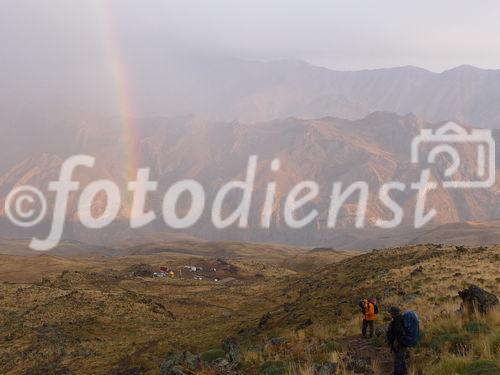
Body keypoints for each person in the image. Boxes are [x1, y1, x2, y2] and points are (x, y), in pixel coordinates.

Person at [386, 306, 407, 375]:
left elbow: (399, 334)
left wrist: (396, 343)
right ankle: (404, 373)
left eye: (391, 313)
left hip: (399, 345)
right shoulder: (398, 320)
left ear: (394, 313)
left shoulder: (397, 323)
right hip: (401, 344)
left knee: (398, 362)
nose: (390, 314)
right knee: (402, 360)